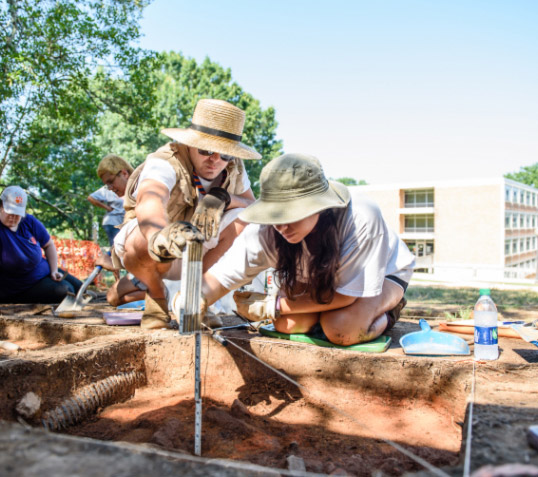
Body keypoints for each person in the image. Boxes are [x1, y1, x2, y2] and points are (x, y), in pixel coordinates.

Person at [201, 153, 416, 346]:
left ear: (319, 206)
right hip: (321, 279)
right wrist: (193, 300)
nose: (281, 226)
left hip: (381, 276)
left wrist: (272, 305)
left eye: (290, 214)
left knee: (341, 329)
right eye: (275, 216)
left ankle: (388, 310)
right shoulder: (264, 231)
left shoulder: (360, 219)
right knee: (288, 325)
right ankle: (323, 317)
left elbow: (347, 296)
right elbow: (220, 278)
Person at [114, 98, 261, 329]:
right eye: (207, 150)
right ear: (191, 143)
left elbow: (255, 208)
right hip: (157, 251)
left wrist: (224, 198)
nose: (215, 160)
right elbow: (149, 201)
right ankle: (157, 296)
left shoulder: (234, 168)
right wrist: (159, 235)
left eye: (225, 155)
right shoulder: (165, 160)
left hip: (198, 253)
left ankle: (195, 297)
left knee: (250, 223)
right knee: (142, 236)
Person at [0, 186, 82, 304]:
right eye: (10, 212)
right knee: (66, 290)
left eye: (17, 213)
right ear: (1, 207)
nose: (13, 217)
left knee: (80, 287)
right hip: (22, 285)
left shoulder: (29, 221)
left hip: (44, 269)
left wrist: (54, 270)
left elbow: (49, 245)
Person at [92, 154, 146, 307]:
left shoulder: (145, 192)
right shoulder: (132, 199)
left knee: (114, 297)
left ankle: (167, 296)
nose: (111, 189)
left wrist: (115, 261)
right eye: (107, 185)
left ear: (124, 173)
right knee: (114, 297)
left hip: (163, 269)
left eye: (111, 182)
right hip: (152, 269)